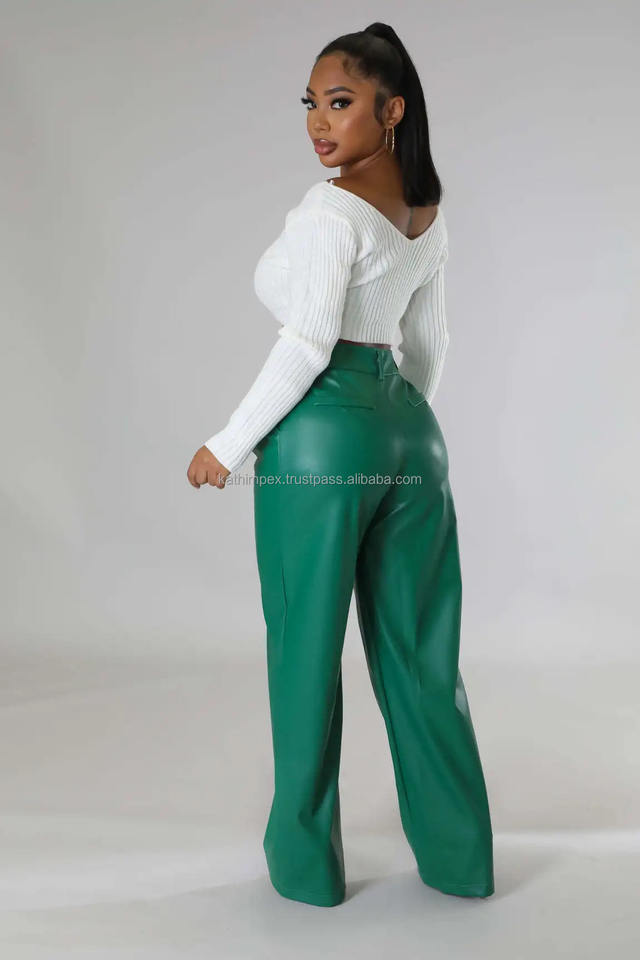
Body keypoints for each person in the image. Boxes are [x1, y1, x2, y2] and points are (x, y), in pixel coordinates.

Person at [187, 22, 495, 908]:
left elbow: (308, 340)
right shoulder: (426, 212)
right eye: (312, 104)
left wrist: (227, 443)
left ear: (391, 111)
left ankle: (306, 870)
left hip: (322, 436)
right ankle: (460, 860)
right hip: (411, 436)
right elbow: (429, 346)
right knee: (423, 657)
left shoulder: (330, 211)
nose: (319, 122)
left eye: (341, 102)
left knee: (306, 651)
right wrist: (398, 429)